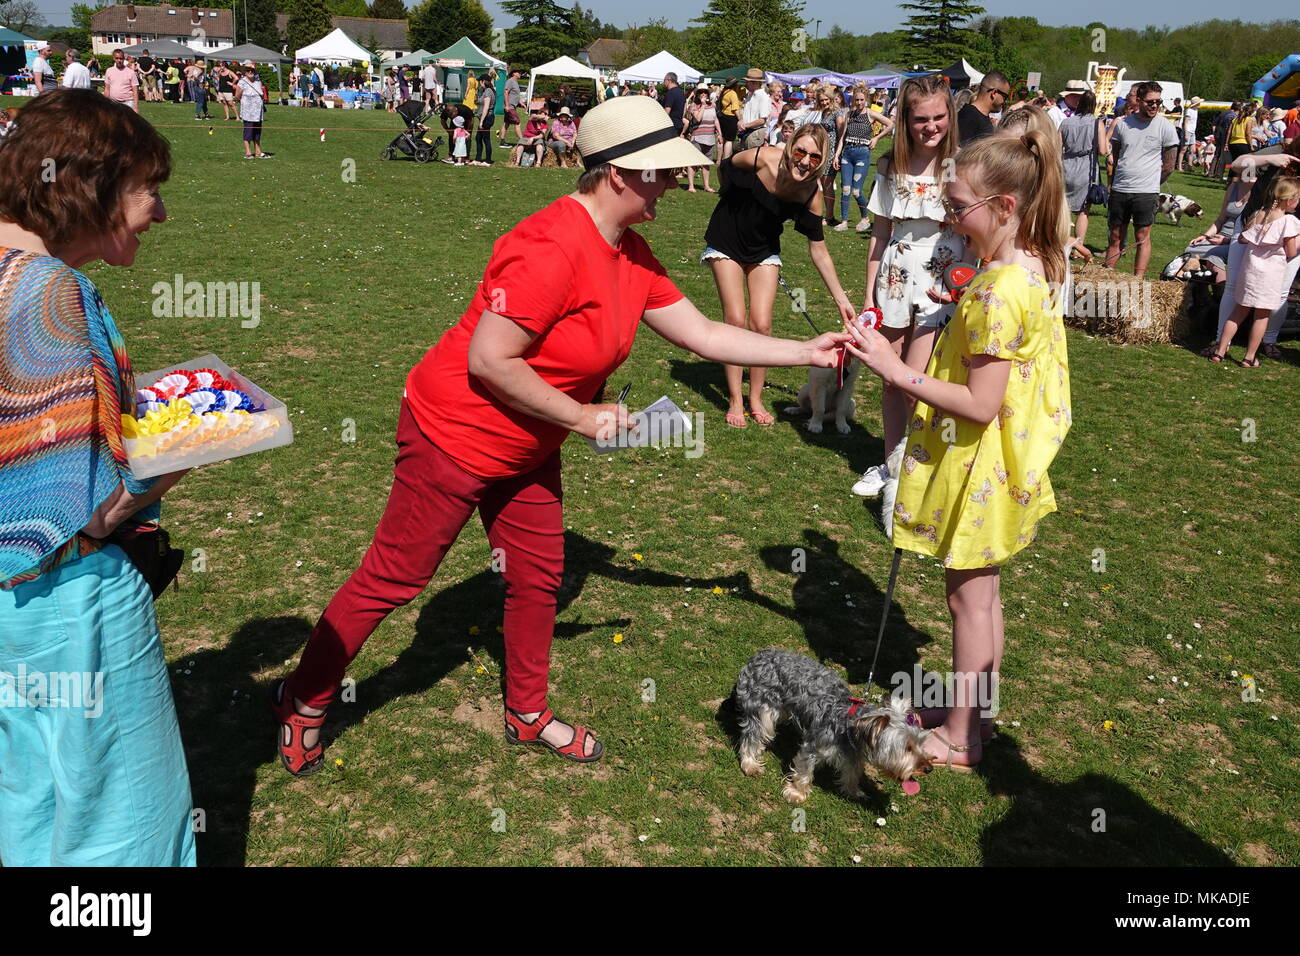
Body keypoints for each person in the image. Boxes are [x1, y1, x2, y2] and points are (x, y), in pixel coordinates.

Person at [270, 96, 850, 774]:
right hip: (452, 435)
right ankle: (303, 697)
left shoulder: (630, 253)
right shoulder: (551, 246)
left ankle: (526, 713)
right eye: (661, 173)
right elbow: (489, 360)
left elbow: (702, 332)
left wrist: (807, 350)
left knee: (538, 575)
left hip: (528, 447)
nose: (672, 184)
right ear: (616, 173)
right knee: (396, 576)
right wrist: (580, 416)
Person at [0, 89, 195, 866]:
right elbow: (77, 514)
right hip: (66, 602)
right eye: (151, 189)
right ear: (94, 184)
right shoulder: (50, 294)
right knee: (122, 826)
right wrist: (184, 453)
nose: (159, 213)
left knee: (31, 799)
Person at [844, 129, 1072, 770]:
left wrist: (895, 367)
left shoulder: (1000, 290)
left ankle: (963, 737)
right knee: (986, 596)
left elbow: (979, 402)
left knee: (967, 600)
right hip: (1004, 462)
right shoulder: (1029, 267)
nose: (948, 218)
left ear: (1003, 207)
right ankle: (979, 716)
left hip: (980, 465)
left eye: (958, 206)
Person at [853, 75, 965, 498]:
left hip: (944, 277)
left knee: (915, 379)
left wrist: (964, 283)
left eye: (938, 117)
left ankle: (918, 468)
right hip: (896, 276)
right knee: (888, 377)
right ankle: (890, 464)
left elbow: (977, 231)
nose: (930, 127)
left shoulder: (963, 163)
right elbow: (879, 235)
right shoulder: (889, 165)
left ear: (949, 116)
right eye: (921, 119)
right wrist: (869, 294)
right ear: (905, 119)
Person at [703, 125, 857, 428]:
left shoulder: (811, 193)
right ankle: (735, 398)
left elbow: (819, 251)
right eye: (800, 151)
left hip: (763, 249)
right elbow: (726, 166)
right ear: (789, 148)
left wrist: (841, 298)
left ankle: (755, 398)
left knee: (761, 323)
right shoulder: (762, 157)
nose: (805, 161)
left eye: (815, 157)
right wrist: (730, 194)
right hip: (726, 240)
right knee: (735, 319)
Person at [1208, 175, 1300, 366]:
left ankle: (1220, 350)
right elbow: (1291, 251)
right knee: (1261, 316)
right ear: (1290, 200)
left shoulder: (1259, 214)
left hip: (1249, 272)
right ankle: (1249, 356)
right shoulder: (1289, 222)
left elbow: (1242, 238)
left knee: (1238, 312)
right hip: (1271, 275)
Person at [1103, 81, 1177, 278]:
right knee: (1116, 236)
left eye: (1158, 102)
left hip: (1146, 192)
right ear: (1139, 100)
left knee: (1142, 237)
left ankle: (1138, 281)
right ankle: (1105, 275)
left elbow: (1170, 165)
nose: (1154, 105)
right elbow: (1116, 158)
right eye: (1150, 101)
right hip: (1121, 189)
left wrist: (1151, 183)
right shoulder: (1123, 125)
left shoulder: (1165, 127)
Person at [832, 83, 893, 233]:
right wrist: (836, 155)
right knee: (845, 189)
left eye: (861, 100)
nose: (858, 103)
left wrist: (877, 138)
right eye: (856, 100)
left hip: (862, 153)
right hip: (847, 153)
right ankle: (844, 221)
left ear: (865, 99)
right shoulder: (849, 115)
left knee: (856, 191)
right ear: (853, 100)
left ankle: (865, 218)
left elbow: (890, 124)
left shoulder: (870, 114)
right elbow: (842, 137)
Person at [1059, 90, 1106, 263]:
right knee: (1083, 211)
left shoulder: (1066, 122)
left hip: (1066, 166)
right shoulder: (1097, 123)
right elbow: (1102, 150)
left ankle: (1060, 242)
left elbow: (1057, 148)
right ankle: (1078, 248)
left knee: (1063, 209)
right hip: (1085, 167)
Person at [683, 87, 721, 193]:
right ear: (698, 94)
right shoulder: (693, 106)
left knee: (706, 163)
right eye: (701, 92)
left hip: (710, 137)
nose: (703, 94)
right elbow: (698, 118)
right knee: (694, 162)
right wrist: (703, 106)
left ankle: (706, 186)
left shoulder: (713, 105)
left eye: (705, 92)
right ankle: (691, 186)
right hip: (697, 137)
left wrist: (719, 133)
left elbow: (715, 119)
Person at [957, 72, 1010, 145]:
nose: (1005, 101)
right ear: (994, 93)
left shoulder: (979, 116)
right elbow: (959, 153)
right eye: (1005, 97)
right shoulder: (969, 117)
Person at [237, 63, 270, 160]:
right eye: (248, 70)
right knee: (248, 130)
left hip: (257, 111)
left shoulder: (258, 82)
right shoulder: (242, 82)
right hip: (248, 111)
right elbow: (237, 96)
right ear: (245, 72)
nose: (250, 72)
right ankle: (248, 152)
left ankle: (258, 151)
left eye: (252, 70)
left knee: (257, 131)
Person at [738, 68, 772, 151]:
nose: (746, 84)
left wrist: (745, 125)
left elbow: (762, 120)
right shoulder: (750, 95)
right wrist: (741, 121)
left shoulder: (763, 97)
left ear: (754, 83)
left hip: (756, 134)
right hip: (747, 133)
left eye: (747, 82)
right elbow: (746, 114)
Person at [104, 48, 140, 113]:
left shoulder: (131, 72)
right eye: (117, 58)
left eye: (121, 58)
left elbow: (135, 91)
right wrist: (105, 105)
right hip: (113, 103)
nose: (119, 60)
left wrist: (136, 107)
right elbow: (107, 89)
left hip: (128, 103)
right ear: (113, 58)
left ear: (124, 58)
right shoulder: (109, 71)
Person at [474, 71, 496, 166]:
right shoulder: (486, 91)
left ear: (483, 81)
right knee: (478, 138)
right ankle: (478, 159)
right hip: (485, 117)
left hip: (487, 118)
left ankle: (487, 161)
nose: (479, 83)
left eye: (480, 81)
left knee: (486, 139)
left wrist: (481, 122)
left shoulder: (488, 92)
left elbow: (486, 108)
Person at [719, 77, 742, 160]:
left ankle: (719, 159)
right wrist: (740, 119)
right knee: (729, 140)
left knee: (723, 139)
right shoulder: (733, 93)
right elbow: (735, 108)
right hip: (731, 118)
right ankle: (726, 159)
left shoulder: (724, 92)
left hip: (723, 116)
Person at [1177, 96, 1202, 171]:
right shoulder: (1189, 111)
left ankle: (1189, 166)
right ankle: (1180, 167)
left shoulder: (1196, 110)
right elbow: (1185, 123)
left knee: (1192, 150)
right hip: (1187, 132)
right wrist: (1186, 134)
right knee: (1183, 150)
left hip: (1192, 132)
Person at [502, 68, 522, 145]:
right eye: (519, 72)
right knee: (517, 122)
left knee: (506, 123)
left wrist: (521, 103)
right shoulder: (510, 81)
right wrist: (507, 105)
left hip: (512, 105)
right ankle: (522, 141)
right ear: (514, 74)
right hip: (510, 106)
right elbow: (506, 92)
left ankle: (502, 141)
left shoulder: (515, 82)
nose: (520, 73)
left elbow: (514, 95)